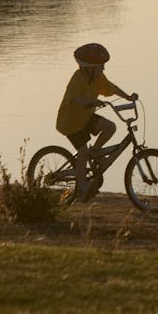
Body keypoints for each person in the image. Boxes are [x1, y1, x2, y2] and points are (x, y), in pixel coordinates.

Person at [56, 43, 137, 202]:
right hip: (70, 122)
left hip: (85, 117)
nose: (103, 69)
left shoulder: (97, 77)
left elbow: (111, 88)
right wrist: (90, 101)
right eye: (101, 66)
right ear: (89, 67)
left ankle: (94, 152)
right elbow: (74, 99)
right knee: (83, 152)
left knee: (110, 127)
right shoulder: (77, 78)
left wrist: (128, 97)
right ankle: (82, 186)